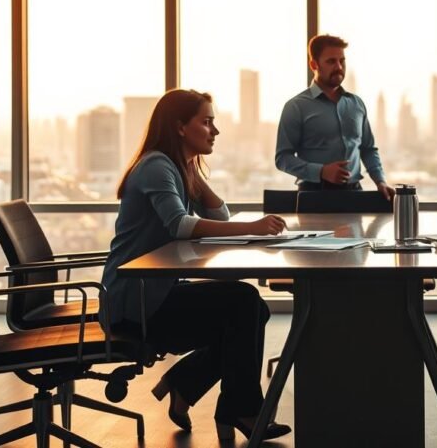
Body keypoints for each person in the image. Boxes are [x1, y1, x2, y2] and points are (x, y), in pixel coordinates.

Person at [101, 89, 291, 441]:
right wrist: (251, 228)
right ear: (179, 127)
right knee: (243, 304)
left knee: (252, 311)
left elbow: (219, 215)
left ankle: (187, 386)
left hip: (156, 292)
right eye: (206, 122)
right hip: (136, 304)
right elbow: (180, 225)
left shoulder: (173, 166)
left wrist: (194, 175)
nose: (214, 131)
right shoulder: (157, 166)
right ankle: (241, 410)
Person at [275, 34, 395, 200]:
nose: (339, 66)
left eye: (342, 61)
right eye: (331, 61)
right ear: (313, 64)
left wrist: (380, 181)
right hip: (313, 196)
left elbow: (368, 149)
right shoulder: (296, 107)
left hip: (355, 195)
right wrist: (321, 171)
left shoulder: (356, 104)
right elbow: (282, 158)